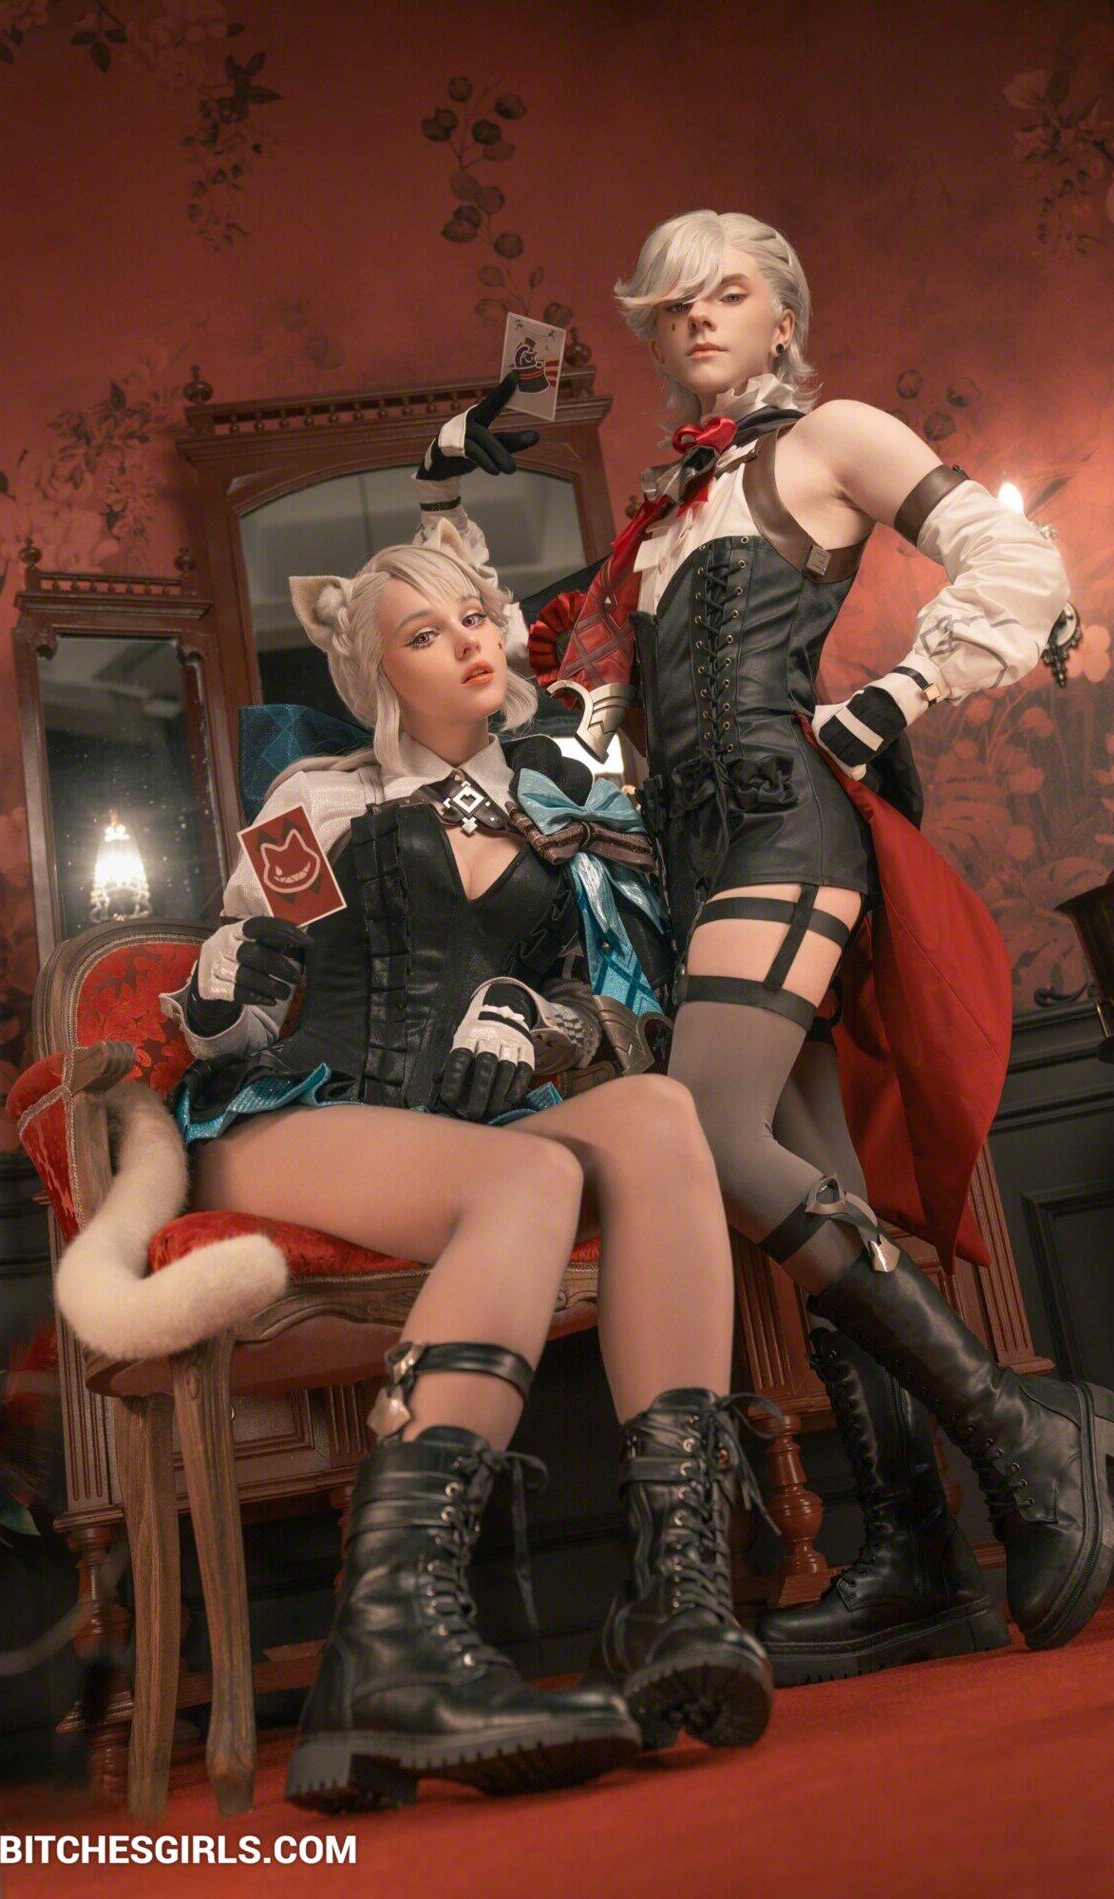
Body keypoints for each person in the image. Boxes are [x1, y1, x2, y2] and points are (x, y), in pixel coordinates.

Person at [443, 211, 1114, 1683]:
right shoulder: (662, 512)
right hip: (692, 858)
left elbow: (1015, 556)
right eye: (670, 304)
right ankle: (919, 1556)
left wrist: (891, 697)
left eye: (727, 292)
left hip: (784, 825)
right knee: (807, 1190)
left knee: (705, 1129)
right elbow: (608, 716)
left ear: (781, 315)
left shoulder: (834, 438)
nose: (696, 318)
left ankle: (1024, 1430)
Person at [158, 473, 777, 1813]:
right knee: (534, 1173)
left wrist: (540, 1024)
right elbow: (245, 1003)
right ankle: (391, 1644)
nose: (469, 641)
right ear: (372, 669)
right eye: (424, 633)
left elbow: (630, 1000)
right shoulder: (316, 798)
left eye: (476, 615)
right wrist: (218, 995)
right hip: (301, 1112)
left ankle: (676, 1591)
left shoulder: (571, 791)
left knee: (657, 1114)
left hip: (469, 1128)